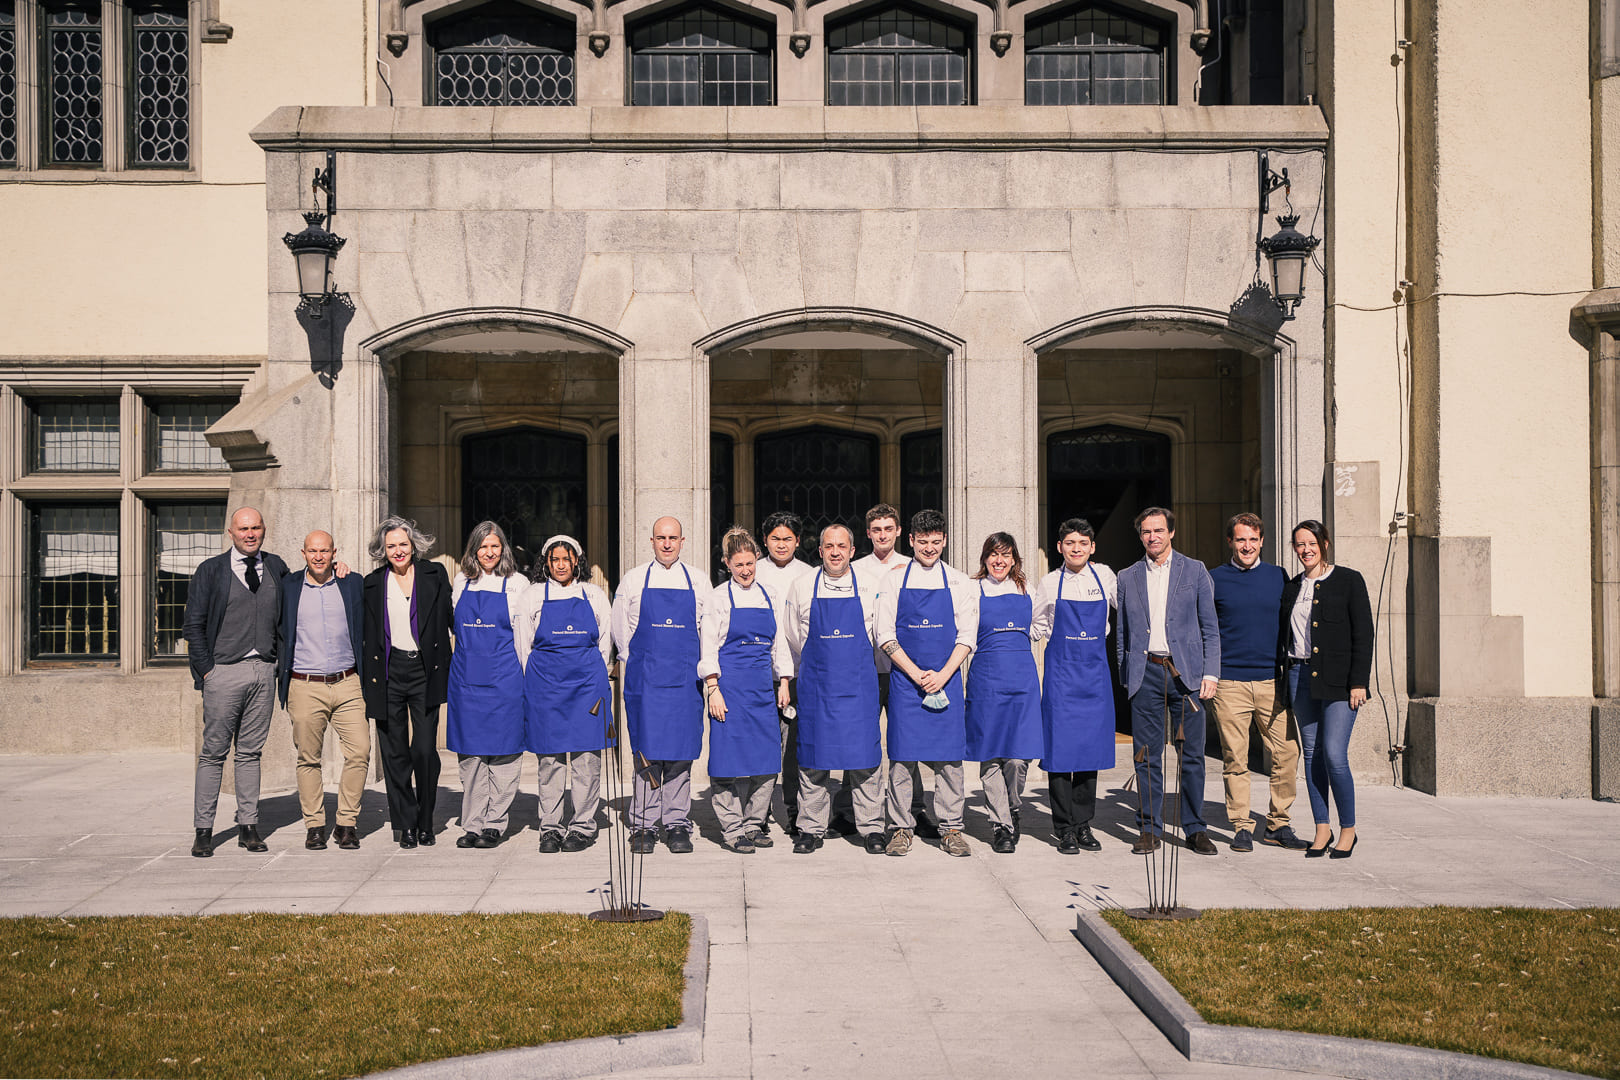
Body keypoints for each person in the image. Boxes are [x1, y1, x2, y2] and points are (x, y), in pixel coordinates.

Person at [1115, 507, 1221, 856]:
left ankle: (1194, 828)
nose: (1153, 537)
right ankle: (1149, 829)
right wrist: (1126, 674)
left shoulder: (1195, 571)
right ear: (1140, 536)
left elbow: (1210, 628)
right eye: (1146, 532)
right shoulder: (1127, 576)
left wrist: (1210, 673)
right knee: (1146, 756)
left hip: (1186, 676)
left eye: (1159, 530)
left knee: (1192, 755)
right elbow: (1122, 634)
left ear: (1171, 533)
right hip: (1146, 673)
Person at [185, 507, 289, 857]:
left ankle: (249, 826)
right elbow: (193, 625)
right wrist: (207, 670)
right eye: (243, 528)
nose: (250, 534)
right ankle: (204, 830)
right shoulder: (211, 571)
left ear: (264, 530)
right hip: (223, 672)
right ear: (230, 532)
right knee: (213, 753)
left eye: (256, 527)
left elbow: (304, 592)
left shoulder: (276, 567)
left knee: (249, 753)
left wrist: (337, 568)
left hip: (264, 671)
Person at [875, 509, 978, 857]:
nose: (930, 548)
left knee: (949, 760)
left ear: (945, 540)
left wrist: (943, 675)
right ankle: (901, 828)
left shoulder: (960, 581)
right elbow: (884, 634)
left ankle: (951, 828)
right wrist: (916, 673)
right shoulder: (893, 580)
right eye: (923, 542)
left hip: (946, 680)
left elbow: (967, 636)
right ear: (912, 541)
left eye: (936, 542)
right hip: (906, 683)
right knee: (902, 759)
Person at [783, 524, 886, 854]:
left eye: (842, 546)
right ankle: (811, 828)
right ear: (821, 550)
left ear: (852, 551)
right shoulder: (802, 586)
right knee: (814, 759)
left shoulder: (871, 586)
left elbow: (881, 634)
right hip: (817, 688)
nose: (836, 552)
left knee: (865, 761)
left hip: (858, 688)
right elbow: (791, 638)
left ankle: (870, 827)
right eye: (829, 546)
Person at [1209, 513, 1309, 852]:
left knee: (1287, 752)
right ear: (1230, 542)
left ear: (1262, 541)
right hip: (1229, 683)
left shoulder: (1279, 577)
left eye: (1253, 539)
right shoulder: (1214, 579)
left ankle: (1278, 824)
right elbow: (1205, 629)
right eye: (1240, 540)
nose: (1247, 546)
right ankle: (1240, 825)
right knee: (1236, 759)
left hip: (1272, 681)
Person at [612, 516, 710, 854]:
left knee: (681, 755)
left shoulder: (698, 581)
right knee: (647, 753)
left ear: (683, 542)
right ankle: (643, 824)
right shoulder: (633, 580)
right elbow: (621, 633)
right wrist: (640, 661)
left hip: (685, 682)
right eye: (660, 538)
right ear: (651, 541)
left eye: (673, 538)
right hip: (646, 682)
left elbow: (707, 630)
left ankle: (677, 823)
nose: (667, 544)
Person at [1281, 520, 1374, 859]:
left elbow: (1363, 634)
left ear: (1325, 543)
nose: (1305, 549)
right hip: (1299, 677)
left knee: (1334, 755)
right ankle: (1322, 827)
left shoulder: (1349, 580)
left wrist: (1358, 682)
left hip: (1339, 684)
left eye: (1311, 543)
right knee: (1311, 755)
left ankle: (1348, 828)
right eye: (1299, 544)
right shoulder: (1292, 587)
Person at [361, 516, 453, 850]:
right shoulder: (372, 583)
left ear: (413, 545)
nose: (398, 551)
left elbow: (452, 616)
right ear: (382, 551)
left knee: (425, 749)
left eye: (403, 544)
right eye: (391, 546)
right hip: (387, 673)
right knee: (395, 752)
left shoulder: (434, 575)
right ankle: (406, 824)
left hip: (424, 670)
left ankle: (426, 821)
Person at [701, 527, 793, 853]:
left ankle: (754, 823)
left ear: (756, 560)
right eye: (738, 565)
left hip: (762, 691)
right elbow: (708, 647)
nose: (745, 570)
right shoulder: (717, 598)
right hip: (728, 689)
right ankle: (732, 829)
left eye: (750, 563)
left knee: (767, 762)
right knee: (725, 765)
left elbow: (778, 643)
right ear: (727, 563)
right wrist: (713, 689)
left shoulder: (769, 595)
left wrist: (783, 682)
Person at [522, 534, 614, 853]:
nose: (561, 564)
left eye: (567, 558)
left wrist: (591, 673)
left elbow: (605, 643)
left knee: (586, 757)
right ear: (546, 563)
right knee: (550, 758)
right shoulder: (533, 595)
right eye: (554, 559)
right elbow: (524, 644)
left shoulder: (594, 594)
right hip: (546, 685)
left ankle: (582, 826)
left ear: (577, 561)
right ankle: (550, 826)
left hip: (587, 685)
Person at [1031, 518, 1118, 854]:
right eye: (1070, 544)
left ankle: (1084, 824)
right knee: (1058, 755)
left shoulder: (1105, 576)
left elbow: (1128, 606)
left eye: (1083, 543)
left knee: (1089, 752)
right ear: (1059, 548)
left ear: (1092, 548)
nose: (1077, 549)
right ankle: (1064, 828)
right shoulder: (1050, 583)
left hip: (1095, 677)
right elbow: (1037, 624)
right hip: (1061, 678)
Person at [277, 530, 367, 851]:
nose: (318, 556)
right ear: (303, 553)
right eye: (313, 551)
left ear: (334, 553)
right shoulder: (287, 587)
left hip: (348, 683)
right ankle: (315, 825)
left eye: (325, 551)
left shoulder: (351, 583)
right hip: (304, 684)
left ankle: (346, 823)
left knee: (359, 751)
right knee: (308, 758)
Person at [447, 521, 530, 850]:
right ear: (473, 549)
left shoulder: (518, 584)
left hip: (505, 680)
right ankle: (472, 823)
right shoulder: (460, 582)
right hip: (467, 681)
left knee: (505, 754)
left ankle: (494, 823)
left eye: (494, 546)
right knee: (471, 757)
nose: (489, 552)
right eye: (483, 546)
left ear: (503, 548)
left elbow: (524, 639)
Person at [851, 502, 931, 836]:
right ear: (868, 533)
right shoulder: (855, 568)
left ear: (899, 532)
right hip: (865, 669)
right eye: (876, 529)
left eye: (888, 528)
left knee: (905, 742)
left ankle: (914, 810)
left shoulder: (914, 567)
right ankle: (850, 809)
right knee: (859, 741)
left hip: (903, 670)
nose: (883, 535)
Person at [967, 533, 1043, 854]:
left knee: (1018, 757)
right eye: (994, 555)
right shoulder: (973, 591)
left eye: (1006, 555)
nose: (999, 561)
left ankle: (1012, 804)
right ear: (985, 558)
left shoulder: (1028, 590)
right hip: (986, 681)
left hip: (1023, 681)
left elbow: (1039, 627)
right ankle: (1001, 825)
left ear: (1014, 560)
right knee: (991, 755)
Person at [753, 510, 815, 835]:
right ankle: (757, 813)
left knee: (794, 746)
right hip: (760, 671)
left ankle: (794, 809)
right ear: (764, 540)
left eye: (787, 539)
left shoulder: (808, 575)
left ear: (797, 542)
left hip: (800, 671)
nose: (781, 544)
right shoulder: (753, 572)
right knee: (764, 744)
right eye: (775, 538)